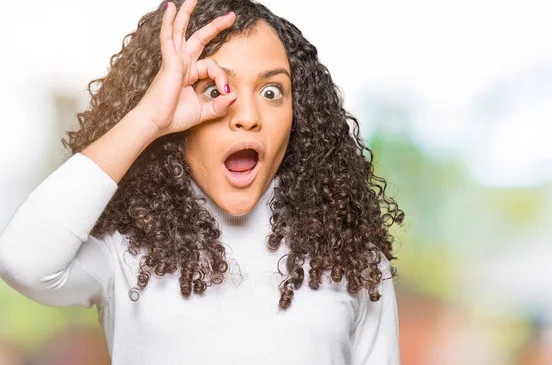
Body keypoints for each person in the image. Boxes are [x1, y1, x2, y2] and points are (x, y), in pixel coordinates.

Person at [0, 0, 405, 363]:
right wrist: (149, 119)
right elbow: (24, 263)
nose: (247, 115)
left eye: (270, 90)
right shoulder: (125, 249)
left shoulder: (352, 259)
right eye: (215, 88)